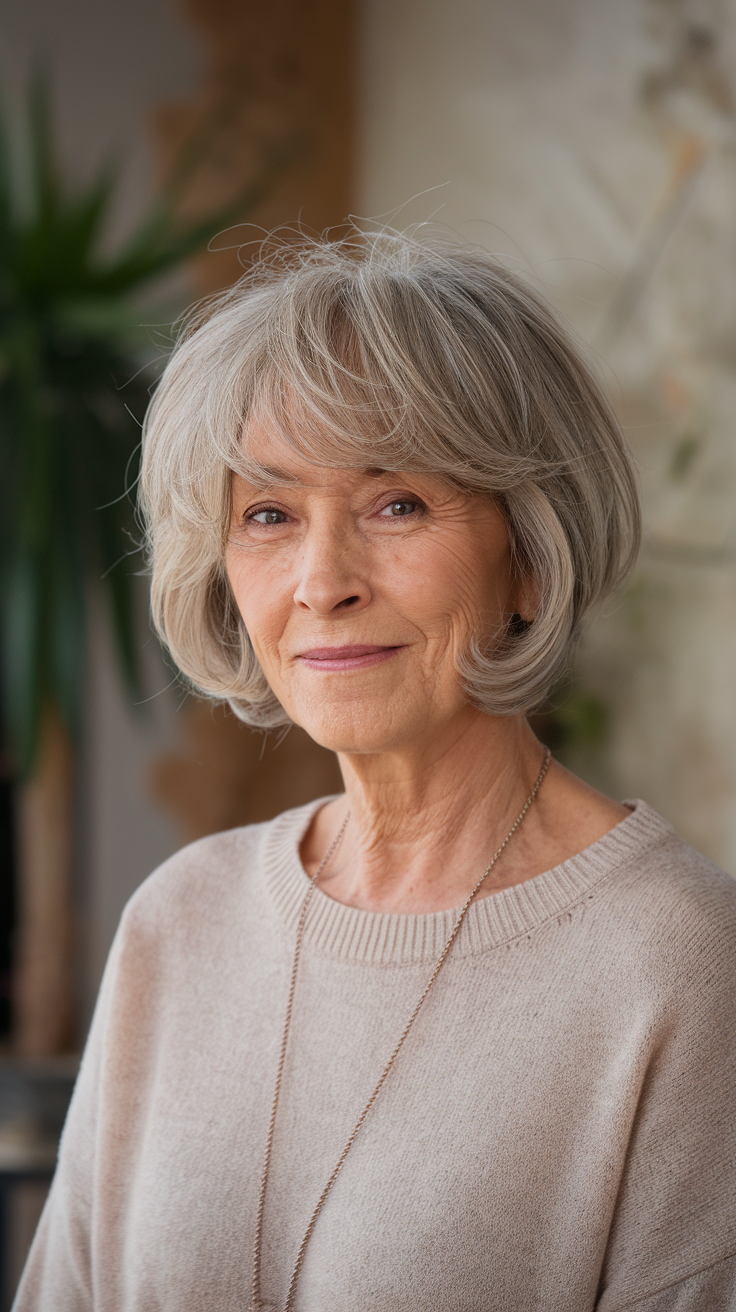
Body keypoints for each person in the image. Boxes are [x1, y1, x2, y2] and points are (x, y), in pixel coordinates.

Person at [15, 233, 736, 1312]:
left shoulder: (674, 961)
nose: (321, 581)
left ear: (529, 554)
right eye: (268, 514)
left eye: (396, 502)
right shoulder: (181, 919)